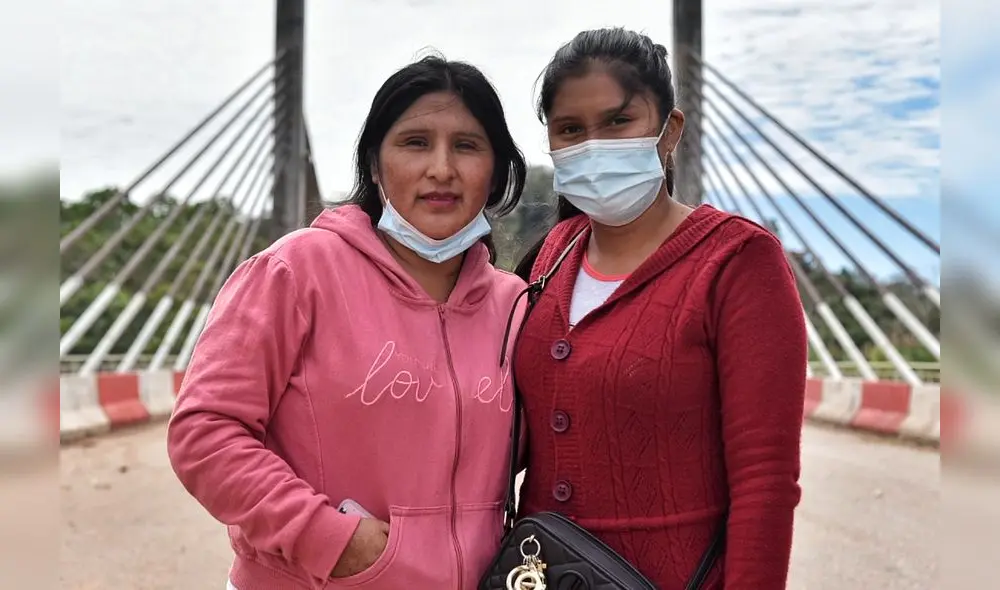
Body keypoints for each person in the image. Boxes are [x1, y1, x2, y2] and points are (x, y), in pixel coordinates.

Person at [167, 55, 529, 590]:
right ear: (375, 164)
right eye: (415, 142)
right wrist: (329, 539)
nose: (442, 168)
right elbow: (205, 432)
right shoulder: (297, 271)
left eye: (468, 146)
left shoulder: (516, 306)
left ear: (496, 170)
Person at [510, 28, 807, 589]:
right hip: (540, 572)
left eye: (619, 122)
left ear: (669, 130)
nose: (593, 146)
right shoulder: (554, 253)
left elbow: (766, 480)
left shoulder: (738, 262)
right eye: (571, 130)